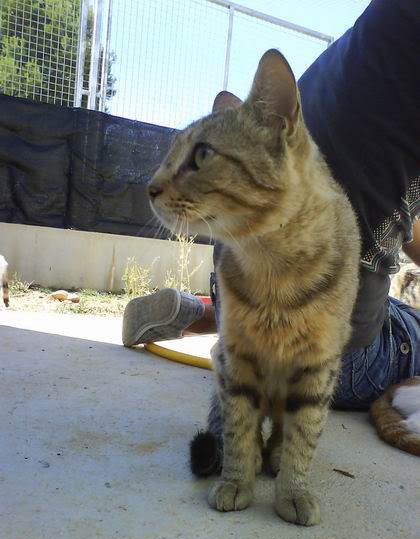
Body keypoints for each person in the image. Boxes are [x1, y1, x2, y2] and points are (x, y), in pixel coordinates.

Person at [122, 0, 420, 410]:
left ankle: (206, 313)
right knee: (403, 321)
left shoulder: (375, 34)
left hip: (236, 293)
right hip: (335, 357)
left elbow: (392, 216)